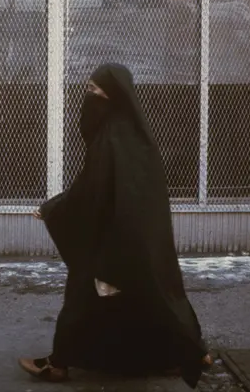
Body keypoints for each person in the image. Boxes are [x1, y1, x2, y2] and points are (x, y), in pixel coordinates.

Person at [18, 63, 212, 389]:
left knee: (83, 297)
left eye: (94, 91)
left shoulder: (110, 139)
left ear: (111, 96)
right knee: (155, 295)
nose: (88, 96)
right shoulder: (133, 135)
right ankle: (192, 352)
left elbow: (92, 189)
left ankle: (59, 364)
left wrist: (54, 208)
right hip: (139, 237)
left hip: (112, 240)